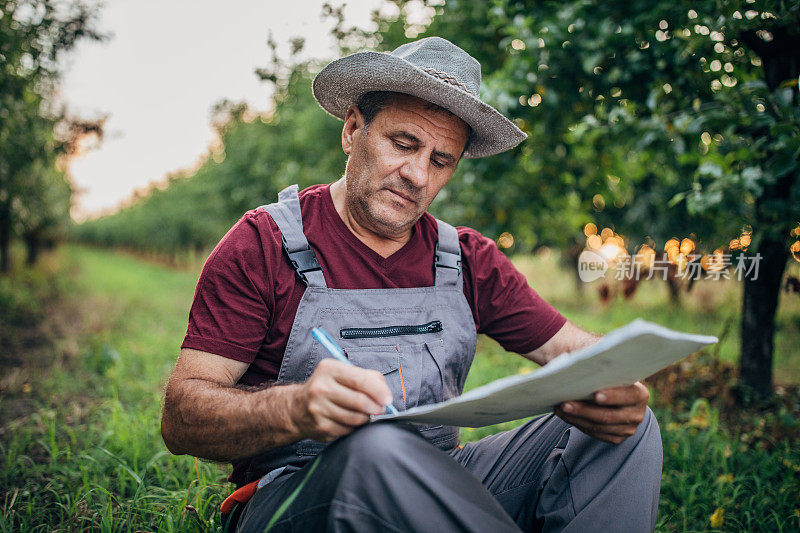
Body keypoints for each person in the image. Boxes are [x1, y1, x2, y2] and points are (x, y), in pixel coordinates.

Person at [160, 36, 662, 532]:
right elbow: (182, 419)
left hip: (440, 483)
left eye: (441, 161)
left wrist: (614, 381)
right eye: (404, 144)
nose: (418, 175)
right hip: (299, 496)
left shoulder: (465, 260)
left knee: (626, 430)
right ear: (352, 129)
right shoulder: (264, 244)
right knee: (374, 448)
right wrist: (295, 407)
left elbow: (575, 351)